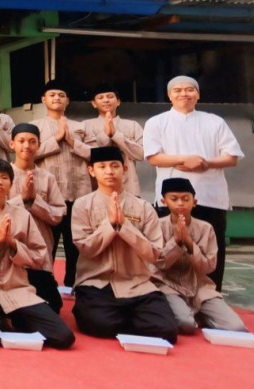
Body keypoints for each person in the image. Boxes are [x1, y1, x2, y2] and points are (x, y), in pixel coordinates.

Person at [0, 159, 75, 349]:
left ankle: (13, 318)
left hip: (16, 287)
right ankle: (7, 319)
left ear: (11, 184)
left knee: (64, 337)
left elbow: (39, 255)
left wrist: (13, 244)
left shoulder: (22, 215)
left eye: (4, 178)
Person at [144, 75, 243, 291]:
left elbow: (232, 157)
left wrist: (205, 163)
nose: (183, 94)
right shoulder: (157, 122)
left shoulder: (214, 121)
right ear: (169, 95)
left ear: (197, 94)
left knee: (210, 249)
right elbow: (153, 157)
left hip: (210, 196)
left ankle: (210, 295)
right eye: (177, 90)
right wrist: (184, 160)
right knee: (169, 248)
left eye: (189, 90)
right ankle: (169, 292)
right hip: (171, 198)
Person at [72, 146, 178, 343]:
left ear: (125, 168)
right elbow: (85, 248)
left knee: (167, 329)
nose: (109, 171)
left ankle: (129, 317)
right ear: (91, 171)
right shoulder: (82, 205)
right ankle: (131, 319)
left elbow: (154, 253)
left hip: (137, 284)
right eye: (102, 167)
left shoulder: (143, 207)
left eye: (114, 166)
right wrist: (110, 225)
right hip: (97, 283)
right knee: (99, 324)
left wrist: (125, 226)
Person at [152, 178, 249, 335]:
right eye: (174, 199)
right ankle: (190, 315)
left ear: (194, 202)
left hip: (199, 287)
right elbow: (158, 264)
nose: (180, 203)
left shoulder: (206, 228)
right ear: (164, 202)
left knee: (236, 328)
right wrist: (176, 242)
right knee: (186, 324)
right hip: (167, 286)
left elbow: (209, 266)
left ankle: (200, 313)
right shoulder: (157, 226)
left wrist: (190, 244)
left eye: (186, 199)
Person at [31, 79, 90, 287]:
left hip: (78, 192)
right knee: (48, 242)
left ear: (68, 100)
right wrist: (56, 139)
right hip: (47, 195)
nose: (57, 98)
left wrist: (72, 141)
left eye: (61, 95)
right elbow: (30, 154)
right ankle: (46, 286)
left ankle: (73, 285)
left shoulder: (80, 127)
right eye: (52, 94)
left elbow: (94, 155)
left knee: (75, 243)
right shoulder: (35, 127)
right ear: (43, 99)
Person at [10, 123, 67, 311]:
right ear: (12, 144)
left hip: (40, 255)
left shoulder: (47, 178)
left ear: (39, 146)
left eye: (32, 142)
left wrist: (35, 201)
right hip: (10, 254)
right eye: (21, 141)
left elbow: (59, 214)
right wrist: (21, 199)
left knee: (53, 308)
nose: (27, 146)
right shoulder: (2, 175)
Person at [82, 86, 144, 197]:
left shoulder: (133, 125)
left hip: (129, 186)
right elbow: (86, 154)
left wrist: (116, 135)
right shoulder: (85, 125)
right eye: (100, 97)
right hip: (95, 187)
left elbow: (141, 154)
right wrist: (105, 135)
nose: (106, 100)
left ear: (118, 102)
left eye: (110, 96)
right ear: (94, 103)